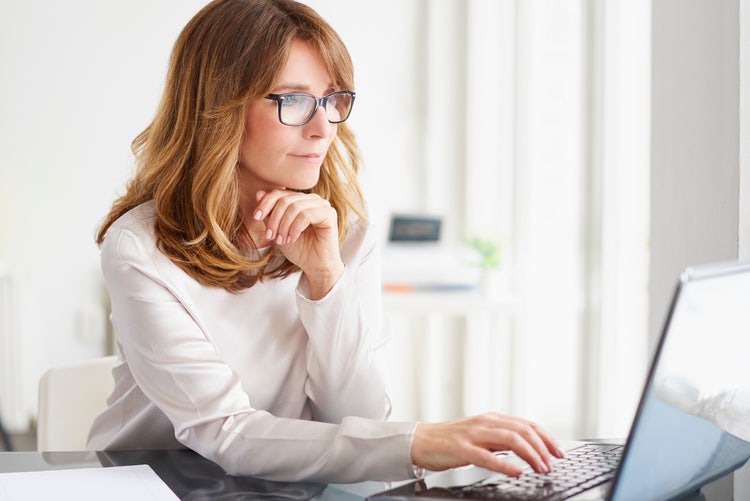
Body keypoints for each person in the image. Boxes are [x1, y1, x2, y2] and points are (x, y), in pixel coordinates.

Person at [88, 0, 564, 483]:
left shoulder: (346, 231)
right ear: (219, 109)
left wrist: (326, 280)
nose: (323, 128)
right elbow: (225, 431)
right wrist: (417, 441)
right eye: (293, 101)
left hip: (283, 484)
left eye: (332, 99)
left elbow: (356, 417)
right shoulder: (140, 249)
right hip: (149, 479)